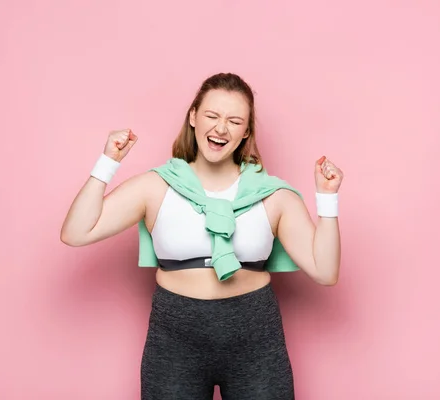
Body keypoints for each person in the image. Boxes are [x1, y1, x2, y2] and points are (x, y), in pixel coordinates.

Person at [60, 72, 344, 400]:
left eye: (234, 120)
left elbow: (325, 272)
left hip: (255, 338)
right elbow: (76, 232)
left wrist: (327, 198)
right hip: (175, 338)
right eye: (212, 115)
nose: (221, 128)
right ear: (193, 117)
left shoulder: (274, 195)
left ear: (246, 131)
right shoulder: (156, 186)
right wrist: (108, 162)